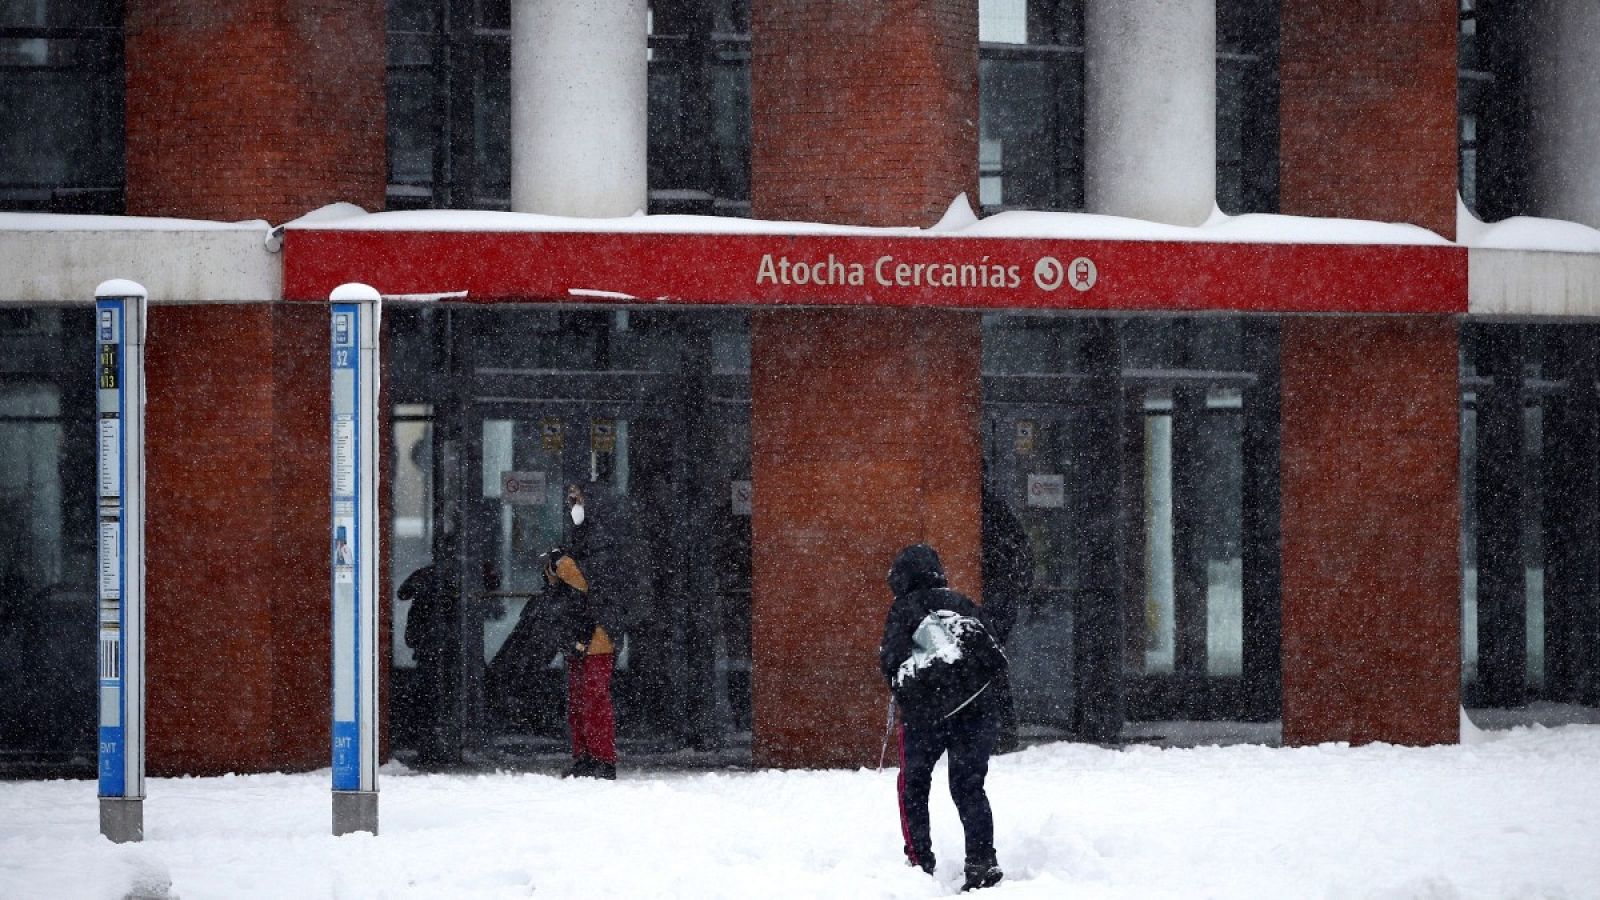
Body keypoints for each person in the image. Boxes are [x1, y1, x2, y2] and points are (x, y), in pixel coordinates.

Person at [880, 544, 1011, 892]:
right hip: (976, 712)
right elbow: (994, 660)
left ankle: (919, 861)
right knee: (969, 788)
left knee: (913, 786)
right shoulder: (964, 604)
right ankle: (982, 863)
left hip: (925, 716)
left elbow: (891, 663)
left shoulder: (904, 609)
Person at [546, 482, 634, 780]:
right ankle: (584, 755)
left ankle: (602, 758)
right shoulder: (580, 538)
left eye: (578, 500)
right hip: (578, 629)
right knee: (578, 697)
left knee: (594, 696)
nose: (574, 508)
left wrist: (565, 568)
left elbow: (591, 582)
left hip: (599, 631)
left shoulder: (606, 542)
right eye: (571, 501)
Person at [401, 540, 462, 767]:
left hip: (431, 650)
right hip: (438, 650)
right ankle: (436, 744)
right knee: (439, 697)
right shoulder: (449, 584)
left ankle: (432, 744)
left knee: (431, 699)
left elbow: (403, 594)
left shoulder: (427, 584)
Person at [980, 486, 1032, 752]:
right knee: (991, 662)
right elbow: (1021, 552)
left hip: (993, 592)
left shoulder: (983, 507)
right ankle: (1002, 729)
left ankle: (999, 729)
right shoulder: (996, 508)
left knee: (985, 662)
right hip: (1000, 593)